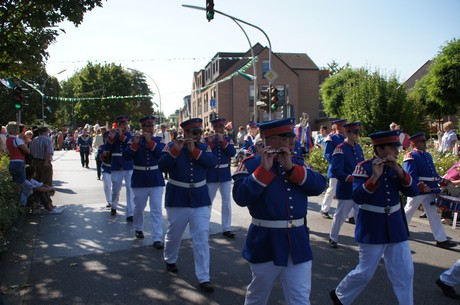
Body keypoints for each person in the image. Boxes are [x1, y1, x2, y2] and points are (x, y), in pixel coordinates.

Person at [232, 117, 327, 305]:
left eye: (292, 136)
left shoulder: (297, 162)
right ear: (269, 139)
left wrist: (291, 168)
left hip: (298, 242)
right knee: (258, 296)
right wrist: (263, 170)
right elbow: (241, 197)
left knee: (300, 298)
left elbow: (318, 186)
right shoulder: (251, 164)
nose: (291, 141)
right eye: (285, 137)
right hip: (265, 242)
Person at [330, 130, 419, 305]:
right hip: (372, 226)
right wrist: (374, 177)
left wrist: (400, 171)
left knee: (405, 271)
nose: (396, 151)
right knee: (365, 272)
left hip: (395, 225)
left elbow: (413, 191)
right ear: (379, 149)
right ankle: (340, 295)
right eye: (392, 147)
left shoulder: (396, 167)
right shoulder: (363, 167)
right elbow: (357, 197)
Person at [158, 118, 217, 293]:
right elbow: (162, 166)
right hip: (178, 197)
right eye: (192, 133)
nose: (196, 136)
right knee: (175, 232)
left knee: (201, 238)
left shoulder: (204, 148)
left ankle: (204, 277)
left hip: (200, 198)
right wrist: (176, 150)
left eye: (198, 133)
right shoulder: (172, 147)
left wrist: (195, 151)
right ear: (184, 133)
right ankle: (170, 259)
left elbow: (211, 163)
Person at [403, 133, 457, 249]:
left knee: (433, 214)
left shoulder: (428, 155)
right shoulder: (411, 156)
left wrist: (443, 181)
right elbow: (410, 175)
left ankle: (441, 239)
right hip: (418, 190)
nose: (424, 144)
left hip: (431, 190)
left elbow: (433, 173)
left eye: (424, 141)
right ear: (415, 144)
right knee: (408, 211)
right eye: (422, 142)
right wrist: (421, 185)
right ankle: (398, 233)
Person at [124, 116, 166, 249]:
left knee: (156, 209)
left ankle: (157, 237)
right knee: (139, 208)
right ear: (142, 128)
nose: (149, 129)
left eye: (151, 126)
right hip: (140, 178)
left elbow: (161, 154)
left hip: (155, 178)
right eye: (147, 126)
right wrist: (135, 145)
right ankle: (138, 228)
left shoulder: (159, 140)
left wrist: (150, 142)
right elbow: (126, 156)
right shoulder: (135, 140)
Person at [328, 122, 364, 248]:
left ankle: (361, 238)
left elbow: (362, 166)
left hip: (358, 188)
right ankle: (333, 237)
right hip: (347, 188)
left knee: (360, 215)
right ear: (347, 133)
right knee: (340, 215)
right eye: (354, 132)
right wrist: (348, 178)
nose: (357, 135)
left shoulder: (358, 148)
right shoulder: (340, 148)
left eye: (358, 132)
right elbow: (336, 170)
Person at [204, 118, 237, 238]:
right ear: (213, 128)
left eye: (221, 127)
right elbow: (204, 153)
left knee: (227, 201)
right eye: (217, 127)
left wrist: (223, 142)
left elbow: (232, 153)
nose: (219, 129)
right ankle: (204, 226)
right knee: (208, 201)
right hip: (211, 173)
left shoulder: (228, 139)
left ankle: (226, 227)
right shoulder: (207, 140)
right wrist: (210, 143)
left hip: (224, 173)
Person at [105, 115, 134, 221]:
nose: (124, 126)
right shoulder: (113, 135)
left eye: (125, 124)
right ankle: (114, 205)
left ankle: (130, 213)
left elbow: (129, 142)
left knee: (130, 189)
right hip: (117, 165)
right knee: (116, 189)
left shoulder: (130, 135)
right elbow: (107, 148)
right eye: (122, 124)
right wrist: (111, 138)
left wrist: (121, 134)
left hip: (128, 165)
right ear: (118, 125)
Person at [320, 119, 347, 219]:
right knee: (332, 189)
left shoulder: (347, 138)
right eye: (340, 127)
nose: (342, 129)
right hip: (336, 170)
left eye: (344, 126)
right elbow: (328, 154)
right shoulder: (332, 138)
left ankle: (349, 214)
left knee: (347, 191)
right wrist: (337, 165)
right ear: (336, 127)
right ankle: (324, 209)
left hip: (346, 170)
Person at [6, 121, 30, 186]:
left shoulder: (8, 139)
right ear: (15, 130)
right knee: (21, 183)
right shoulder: (16, 139)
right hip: (19, 162)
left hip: (12, 161)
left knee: (15, 183)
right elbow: (27, 151)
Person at [98, 131, 112, 208]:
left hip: (115, 169)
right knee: (107, 185)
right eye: (107, 137)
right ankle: (109, 201)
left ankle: (114, 200)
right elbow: (99, 158)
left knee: (115, 187)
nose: (109, 139)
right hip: (106, 168)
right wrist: (103, 155)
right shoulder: (102, 147)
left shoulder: (115, 146)